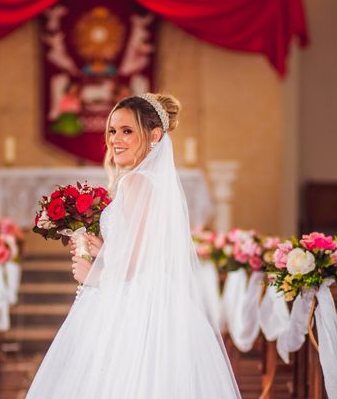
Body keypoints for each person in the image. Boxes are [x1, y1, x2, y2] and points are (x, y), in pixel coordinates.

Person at [26, 93, 241, 398]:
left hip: (135, 305)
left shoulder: (136, 182)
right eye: (112, 131)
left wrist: (94, 275)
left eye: (127, 131)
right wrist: (103, 248)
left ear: (154, 136)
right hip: (158, 299)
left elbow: (133, 265)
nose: (116, 139)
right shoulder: (151, 181)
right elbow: (145, 249)